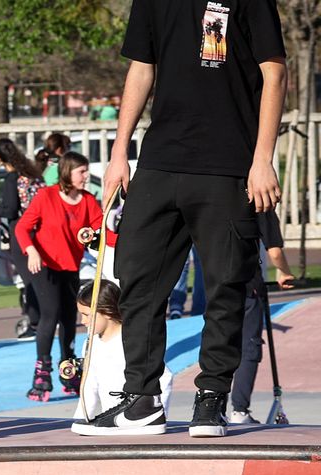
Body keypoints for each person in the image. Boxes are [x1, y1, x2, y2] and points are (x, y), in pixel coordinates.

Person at [97, 0, 286, 438]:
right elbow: (141, 69)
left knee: (224, 285)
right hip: (160, 160)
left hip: (229, 164)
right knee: (137, 278)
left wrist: (263, 159)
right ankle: (142, 398)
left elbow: (274, 74)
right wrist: (119, 152)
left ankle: (211, 398)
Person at [16, 152, 101, 401]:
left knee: (68, 317)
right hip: (44, 266)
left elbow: (100, 230)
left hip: (70, 267)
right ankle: (42, 371)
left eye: (86, 171)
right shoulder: (47, 195)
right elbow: (22, 227)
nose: (86, 176)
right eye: (81, 172)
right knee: (50, 314)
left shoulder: (87, 201)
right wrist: (31, 250)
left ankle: (69, 369)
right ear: (67, 172)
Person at [70, 280, 173, 435]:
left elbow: (164, 377)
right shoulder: (90, 343)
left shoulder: (131, 342)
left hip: (137, 419)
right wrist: (82, 417)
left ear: (107, 312)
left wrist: (153, 414)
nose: (82, 321)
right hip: (112, 419)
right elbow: (90, 383)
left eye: (86, 315)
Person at [229, 208, 296, 424]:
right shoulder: (260, 201)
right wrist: (284, 271)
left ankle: (213, 404)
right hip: (247, 284)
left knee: (221, 342)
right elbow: (274, 251)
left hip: (217, 286)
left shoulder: (218, 192)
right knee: (249, 345)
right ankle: (239, 410)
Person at [0, 137, 44, 339]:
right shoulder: (31, 174)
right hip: (39, 231)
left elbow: (11, 211)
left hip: (21, 234)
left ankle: (35, 320)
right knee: (40, 277)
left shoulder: (12, 179)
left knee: (28, 279)